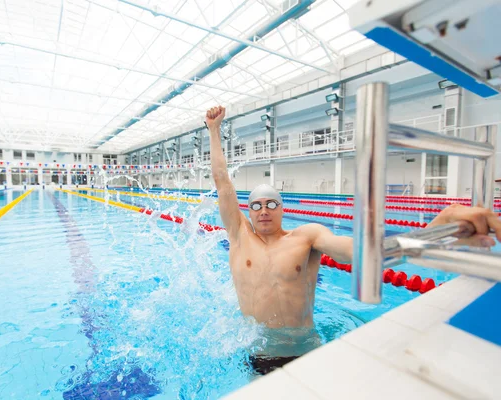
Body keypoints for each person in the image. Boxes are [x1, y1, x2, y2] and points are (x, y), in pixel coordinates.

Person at [205, 105, 501, 375]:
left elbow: (355, 252)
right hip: (258, 355)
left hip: (305, 353)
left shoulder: (307, 235)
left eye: (272, 203)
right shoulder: (239, 236)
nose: (264, 210)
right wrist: (214, 130)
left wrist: (438, 227)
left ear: (283, 209)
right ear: (248, 211)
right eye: (256, 205)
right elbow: (222, 180)